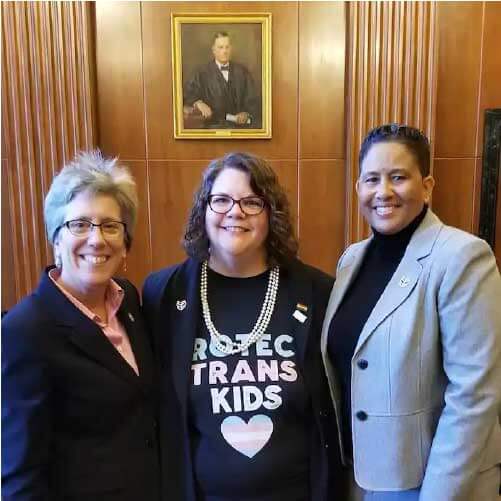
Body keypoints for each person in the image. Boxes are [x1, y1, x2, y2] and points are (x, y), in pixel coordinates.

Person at [143, 152, 343, 501]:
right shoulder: (164, 293)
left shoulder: (317, 292)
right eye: (221, 200)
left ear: (271, 214)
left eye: (252, 202)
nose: (235, 212)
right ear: (203, 210)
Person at [321, 124, 501, 500]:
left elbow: (474, 396)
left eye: (398, 177)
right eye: (372, 179)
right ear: (358, 189)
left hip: (430, 485)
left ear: (427, 185)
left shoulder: (462, 257)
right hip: (358, 479)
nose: (383, 191)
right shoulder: (351, 261)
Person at [1, 151, 160, 500]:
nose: (96, 239)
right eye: (80, 224)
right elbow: (19, 474)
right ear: (56, 238)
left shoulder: (129, 302)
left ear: (125, 244)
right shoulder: (25, 330)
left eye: (110, 225)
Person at [183, 32, 261, 128]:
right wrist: (198, 102)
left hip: (240, 129)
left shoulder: (242, 72)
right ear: (213, 50)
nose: (224, 51)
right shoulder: (201, 73)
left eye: (227, 47)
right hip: (212, 128)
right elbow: (188, 94)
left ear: (231, 49)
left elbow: (253, 100)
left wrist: (246, 113)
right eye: (220, 47)